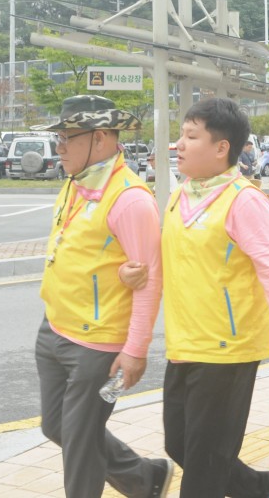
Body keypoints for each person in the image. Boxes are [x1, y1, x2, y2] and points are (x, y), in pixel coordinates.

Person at [159, 98, 269, 498]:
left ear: (220, 148)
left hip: (228, 350)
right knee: (179, 445)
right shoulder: (182, 195)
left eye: (190, 136)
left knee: (203, 473)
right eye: (181, 134)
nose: (179, 143)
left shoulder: (243, 200)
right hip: (184, 344)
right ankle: (263, 486)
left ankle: (261, 486)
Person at [32, 95, 172, 498]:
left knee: (79, 442)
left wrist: (136, 350)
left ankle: (141, 480)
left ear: (101, 138)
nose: (58, 147)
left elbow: (150, 281)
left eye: (66, 138)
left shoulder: (130, 199)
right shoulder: (76, 182)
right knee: (56, 427)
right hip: (55, 328)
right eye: (57, 138)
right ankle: (146, 479)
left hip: (97, 343)